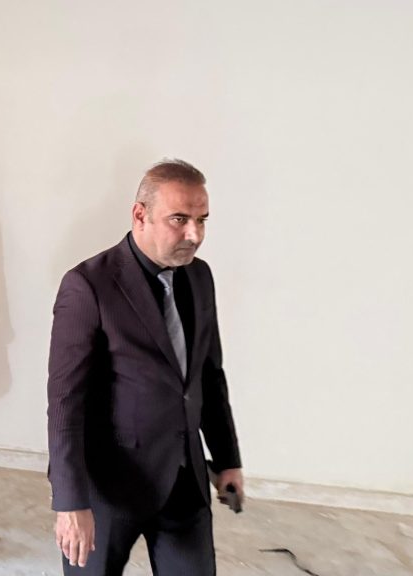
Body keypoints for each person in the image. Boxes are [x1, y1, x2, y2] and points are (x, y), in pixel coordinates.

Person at [47, 158, 244, 575]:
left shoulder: (200, 277)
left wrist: (227, 458)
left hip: (185, 479)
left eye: (202, 220)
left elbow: (208, 375)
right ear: (140, 215)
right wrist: (69, 501)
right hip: (108, 487)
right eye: (180, 219)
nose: (195, 235)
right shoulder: (88, 286)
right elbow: (65, 402)